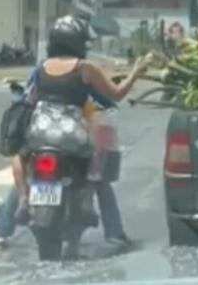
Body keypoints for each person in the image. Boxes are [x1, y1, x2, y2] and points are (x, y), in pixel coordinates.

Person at [11, 14, 152, 226]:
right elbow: (117, 94)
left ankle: (23, 199)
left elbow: (28, 98)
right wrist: (136, 72)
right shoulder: (86, 68)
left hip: (39, 133)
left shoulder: (41, 67)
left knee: (19, 155)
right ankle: (87, 202)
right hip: (71, 133)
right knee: (97, 154)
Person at [0, 74, 130, 247]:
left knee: (23, 174)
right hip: (73, 139)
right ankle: (112, 229)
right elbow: (106, 100)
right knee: (99, 170)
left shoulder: (41, 71)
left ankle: (6, 225)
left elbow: (27, 96)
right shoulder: (83, 72)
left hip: (41, 139)